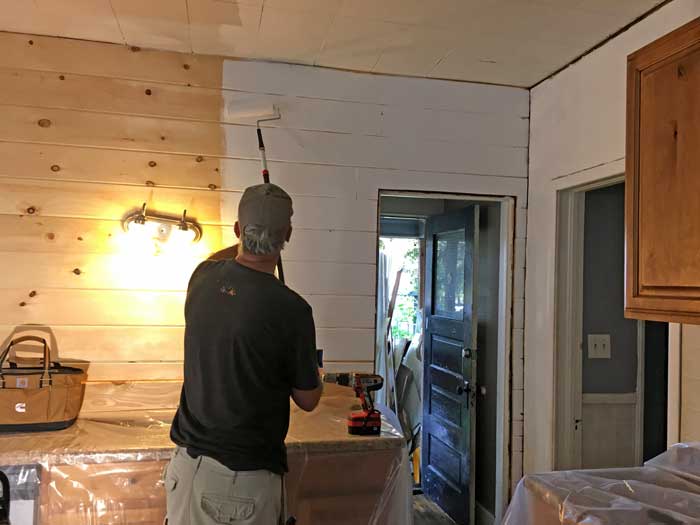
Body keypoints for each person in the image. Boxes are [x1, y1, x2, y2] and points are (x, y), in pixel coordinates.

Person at [165, 183, 323, 525]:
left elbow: (225, 261)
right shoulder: (292, 309)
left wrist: (252, 245)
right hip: (239, 485)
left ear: (237, 230)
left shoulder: (202, 278)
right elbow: (308, 400)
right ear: (288, 235)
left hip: (185, 470)